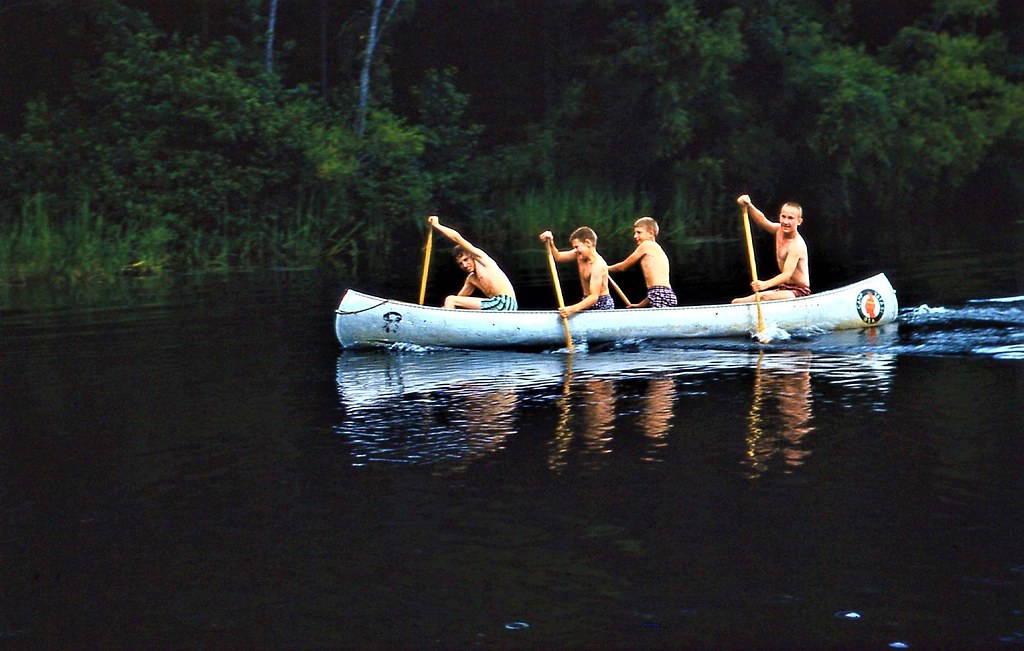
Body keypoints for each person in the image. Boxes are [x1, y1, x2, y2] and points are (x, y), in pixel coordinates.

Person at [427, 215, 518, 310]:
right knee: (452, 302)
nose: (465, 265)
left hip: (504, 303)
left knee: (450, 299)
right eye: (461, 263)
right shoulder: (471, 279)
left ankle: (446, 324)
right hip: (498, 306)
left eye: (466, 260)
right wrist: (444, 308)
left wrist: (437, 225)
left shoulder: (482, 259)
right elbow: (459, 301)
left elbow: (457, 238)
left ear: (471, 256)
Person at [732, 195, 810, 303]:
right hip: (784, 288)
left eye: (790, 218)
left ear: (799, 221)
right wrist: (749, 205)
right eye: (783, 216)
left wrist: (764, 284)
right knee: (736, 302)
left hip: (798, 292)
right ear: (779, 217)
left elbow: (787, 274)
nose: (785, 222)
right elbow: (762, 221)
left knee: (763, 297)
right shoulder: (779, 230)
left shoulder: (796, 245)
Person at [539, 226, 613, 317]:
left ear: (588, 243)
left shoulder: (598, 265)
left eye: (577, 247)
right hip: (586, 300)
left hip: (601, 304)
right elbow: (558, 257)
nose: (576, 250)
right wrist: (551, 243)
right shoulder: (579, 254)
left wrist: (571, 309)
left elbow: (594, 297)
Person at [607, 216, 677, 308]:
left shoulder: (647, 245)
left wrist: (605, 268)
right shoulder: (656, 249)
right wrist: (639, 305)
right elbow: (656, 289)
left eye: (639, 232)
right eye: (635, 233)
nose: (635, 236)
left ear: (651, 234)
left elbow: (623, 267)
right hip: (664, 294)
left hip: (661, 296)